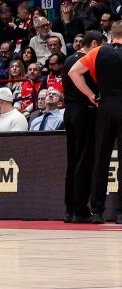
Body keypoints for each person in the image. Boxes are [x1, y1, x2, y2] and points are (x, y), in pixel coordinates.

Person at [68, 20, 122, 224]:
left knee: (101, 159)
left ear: (110, 35)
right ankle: (121, 213)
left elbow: (74, 72)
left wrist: (91, 95)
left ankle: (97, 211)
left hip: (105, 105)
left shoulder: (97, 52)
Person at [61, 30, 102, 223]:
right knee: (84, 162)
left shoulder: (69, 59)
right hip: (84, 111)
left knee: (72, 161)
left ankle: (69, 209)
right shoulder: (88, 61)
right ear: (93, 43)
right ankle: (80, 210)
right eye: (100, 46)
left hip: (69, 112)